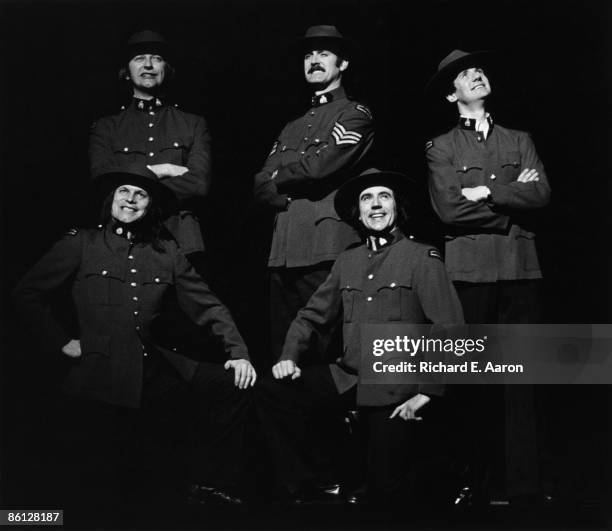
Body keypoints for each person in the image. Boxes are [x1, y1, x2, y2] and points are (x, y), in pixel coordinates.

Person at [13, 164, 255, 506]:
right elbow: (27, 293)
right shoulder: (82, 243)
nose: (131, 200)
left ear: (149, 206)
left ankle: (208, 484)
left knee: (231, 385)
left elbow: (208, 305)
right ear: (110, 199)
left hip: (153, 363)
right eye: (123, 192)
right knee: (108, 477)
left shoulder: (166, 253)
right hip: (100, 367)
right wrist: (61, 342)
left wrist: (238, 353)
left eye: (140, 194)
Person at [257, 168, 464, 505]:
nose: (376, 205)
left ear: (398, 207)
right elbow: (311, 316)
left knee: (383, 495)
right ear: (358, 211)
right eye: (367, 199)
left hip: (396, 389)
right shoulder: (347, 260)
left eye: (384, 197)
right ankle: (320, 482)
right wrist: (288, 357)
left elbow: (450, 328)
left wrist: (427, 393)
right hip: (350, 378)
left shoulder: (422, 257)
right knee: (274, 390)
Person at [425, 49, 551, 504]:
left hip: (519, 270)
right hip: (471, 273)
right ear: (450, 93)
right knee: (471, 381)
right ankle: (471, 482)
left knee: (521, 380)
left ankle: (525, 487)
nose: (475, 75)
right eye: (464, 74)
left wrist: (487, 191)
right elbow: (448, 209)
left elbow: (541, 195)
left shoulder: (519, 139)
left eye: (479, 70)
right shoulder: (441, 146)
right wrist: (508, 204)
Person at [253, 25, 375, 362]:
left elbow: (322, 167)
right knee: (284, 353)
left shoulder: (353, 113)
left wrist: (281, 175)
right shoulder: (291, 125)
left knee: (327, 349)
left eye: (324, 54)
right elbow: (259, 183)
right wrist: (283, 190)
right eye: (308, 55)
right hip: (284, 246)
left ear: (343, 64)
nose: (314, 61)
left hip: (326, 245)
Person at [89, 29, 211, 260]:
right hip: (120, 240)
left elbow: (199, 184)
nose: (148, 65)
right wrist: (164, 171)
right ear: (127, 72)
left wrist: (133, 181)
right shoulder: (107, 127)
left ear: (166, 69)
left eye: (156, 58)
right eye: (139, 58)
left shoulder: (192, 124)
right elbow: (103, 180)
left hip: (180, 241)